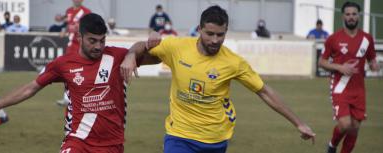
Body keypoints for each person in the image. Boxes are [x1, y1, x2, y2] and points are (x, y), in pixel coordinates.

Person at [121, 5, 316, 153]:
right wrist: (131, 55)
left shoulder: (233, 62)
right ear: (199, 29)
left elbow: (264, 91)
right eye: (210, 34)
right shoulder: (177, 47)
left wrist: (298, 123)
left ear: (226, 31)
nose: (215, 40)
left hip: (215, 139)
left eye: (220, 35)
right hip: (178, 135)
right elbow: (142, 46)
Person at [0, 13, 147, 153]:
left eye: (102, 40)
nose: (98, 46)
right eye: (92, 41)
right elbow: (30, 88)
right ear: (79, 37)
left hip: (111, 144)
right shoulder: (62, 64)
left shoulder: (116, 56)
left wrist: (132, 54)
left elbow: (147, 50)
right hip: (78, 141)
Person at [319, 2, 380, 153]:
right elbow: (321, 62)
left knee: (354, 129)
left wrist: (375, 65)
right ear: (343, 16)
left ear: (358, 16)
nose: (351, 17)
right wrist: (340, 67)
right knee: (345, 124)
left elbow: (372, 60)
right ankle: (332, 145)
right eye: (348, 14)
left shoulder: (367, 39)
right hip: (340, 87)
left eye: (354, 14)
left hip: (359, 89)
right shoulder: (333, 38)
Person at [55, 0, 91, 106]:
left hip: (80, 47)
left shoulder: (86, 12)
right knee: (68, 72)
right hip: (70, 47)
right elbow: (68, 23)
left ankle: (84, 97)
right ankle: (67, 98)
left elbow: (89, 27)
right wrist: (64, 29)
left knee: (83, 72)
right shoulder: (69, 11)